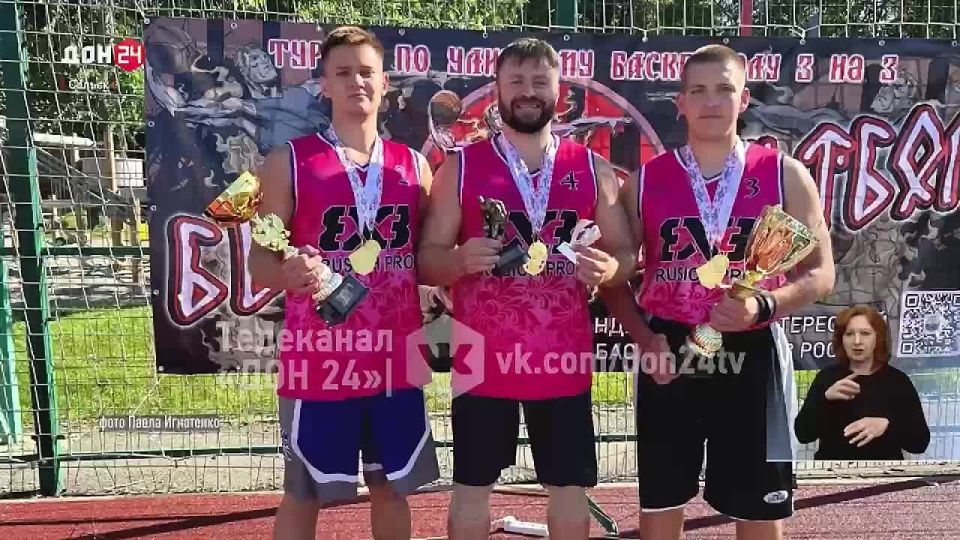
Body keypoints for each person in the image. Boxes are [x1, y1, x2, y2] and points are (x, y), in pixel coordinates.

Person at [599, 44, 836, 540]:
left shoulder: (785, 174)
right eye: (699, 91)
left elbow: (821, 272)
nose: (711, 101)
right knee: (662, 500)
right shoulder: (645, 182)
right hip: (669, 350)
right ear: (680, 102)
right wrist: (644, 339)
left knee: (758, 508)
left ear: (744, 99)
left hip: (753, 351)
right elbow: (615, 278)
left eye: (724, 89)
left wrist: (764, 304)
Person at [417, 38, 637, 539]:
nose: (528, 91)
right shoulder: (462, 167)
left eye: (540, 81)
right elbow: (426, 260)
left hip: (562, 358)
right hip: (482, 358)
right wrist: (457, 261)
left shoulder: (592, 168)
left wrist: (608, 268)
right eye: (516, 81)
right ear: (497, 89)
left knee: (568, 489)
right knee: (472, 488)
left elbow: (627, 255)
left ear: (560, 92)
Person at [248, 26, 440, 540]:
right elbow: (259, 261)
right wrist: (287, 274)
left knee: (392, 489)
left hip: (395, 358)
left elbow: (430, 257)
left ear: (385, 83)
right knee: (303, 493)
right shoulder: (288, 161)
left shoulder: (414, 166)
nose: (357, 81)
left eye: (366, 72)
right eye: (343, 72)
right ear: (324, 84)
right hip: (321, 359)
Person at [794, 305, 930, 460]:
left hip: (884, 471)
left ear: (878, 338)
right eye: (849, 334)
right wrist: (825, 400)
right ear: (841, 339)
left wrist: (887, 425)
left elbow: (920, 443)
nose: (857, 341)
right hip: (833, 471)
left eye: (865, 333)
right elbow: (803, 434)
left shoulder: (897, 381)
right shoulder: (827, 378)